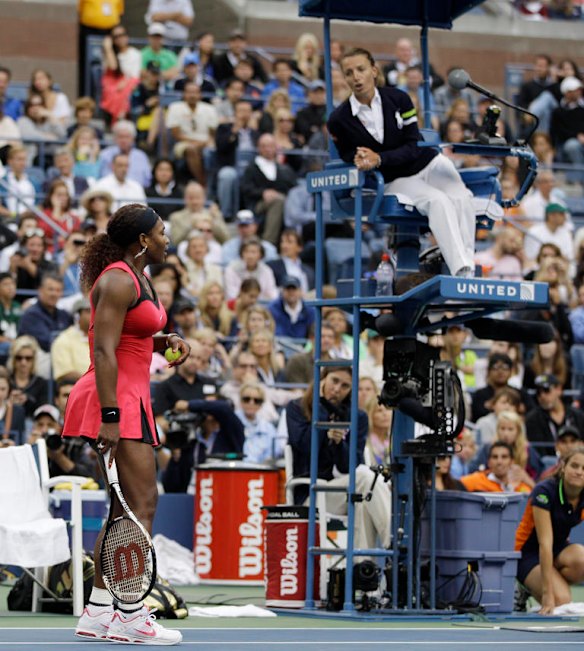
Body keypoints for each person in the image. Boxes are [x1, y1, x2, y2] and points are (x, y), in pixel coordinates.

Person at [62, 203, 187, 644]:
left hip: (130, 397)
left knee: (122, 511)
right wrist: (112, 416)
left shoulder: (137, 276)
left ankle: (98, 612)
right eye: (161, 230)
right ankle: (131, 615)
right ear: (142, 241)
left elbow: (131, 337)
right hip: (114, 401)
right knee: (141, 508)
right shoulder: (116, 279)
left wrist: (164, 342)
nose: (167, 236)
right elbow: (102, 350)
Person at [328, 47, 476, 278]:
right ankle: (461, 271)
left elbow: (412, 144)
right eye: (348, 72)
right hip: (395, 179)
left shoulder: (400, 98)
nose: (355, 77)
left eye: (360, 69)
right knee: (438, 201)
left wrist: (380, 158)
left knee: (462, 196)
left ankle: (468, 265)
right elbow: (348, 153)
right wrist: (359, 159)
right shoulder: (338, 119)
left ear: (374, 71)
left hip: (428, 163)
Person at [286, 365, 392, 550]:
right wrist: (322, 410)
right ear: (323, 379)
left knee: (366, 490)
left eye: (345, 386)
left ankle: (361, 569)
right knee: (367, 482)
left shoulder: (357, 416)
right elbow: (304, 446)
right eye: (334, 381)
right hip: (310, 493)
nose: (337, 389)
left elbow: (349, 467)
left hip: (344, 490)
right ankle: (393, 544)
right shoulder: (297, 407)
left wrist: (338, 444)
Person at [515, 448, 584, 615]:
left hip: (558, 549)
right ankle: (526, 586)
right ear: (563, 467)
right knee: (561, 602)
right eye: (574, 466)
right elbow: (544, 544)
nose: (579, 472)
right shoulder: (544, 492)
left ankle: (545, 579)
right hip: (527, 552)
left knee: (582, 560)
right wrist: (547, 595)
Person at [236, 381, 282, 463]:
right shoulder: (231, 422)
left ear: (261, 404)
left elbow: (274, 452)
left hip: (260, 472)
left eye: (257, 400)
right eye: (247, 399)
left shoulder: (268, 428)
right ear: (240, 401)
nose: (251, 403)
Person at [460, 441, 532, 493]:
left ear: (512, 462)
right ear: (489, 462)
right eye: (495, 457)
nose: (499, 462)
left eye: (504, 457)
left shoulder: (521, 487)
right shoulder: (475, 480)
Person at [50, 296, 91, 382]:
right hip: (75, 389)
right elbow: (64, 373)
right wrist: (92, 382)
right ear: (77, 316)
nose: (94, 315)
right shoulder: (63, 340)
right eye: (88, 311)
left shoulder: (105, 337)